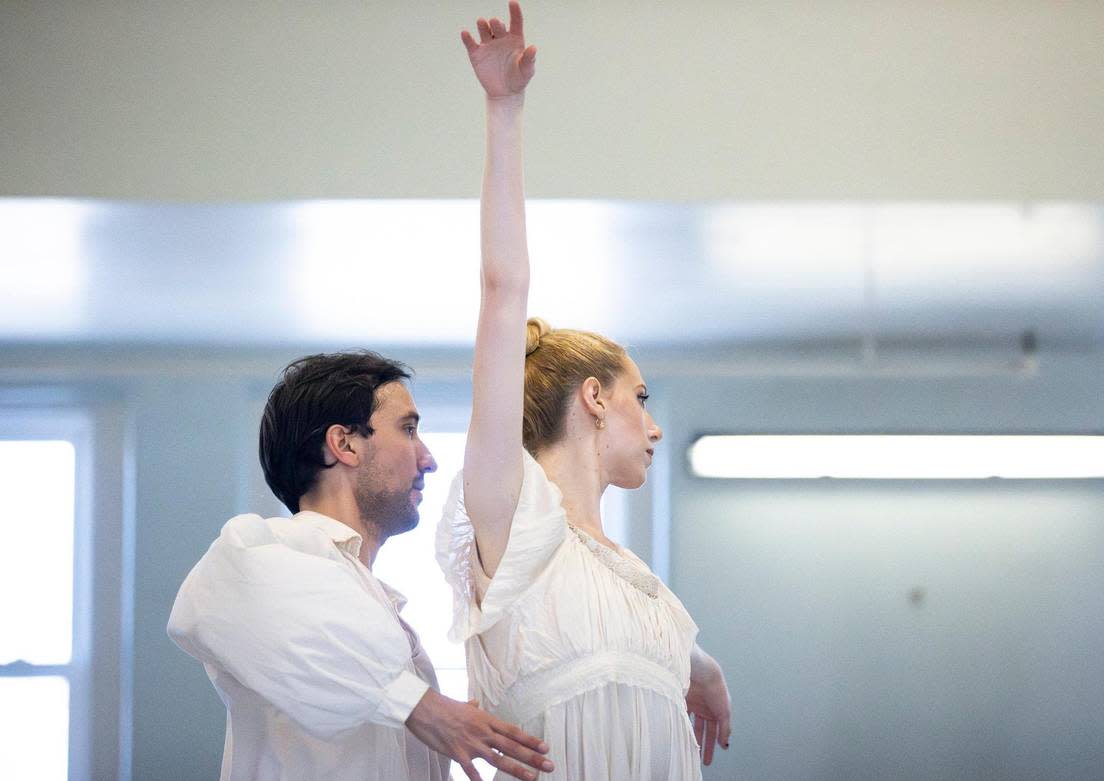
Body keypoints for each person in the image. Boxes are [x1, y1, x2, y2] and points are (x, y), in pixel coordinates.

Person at [436, 4, 732, 779]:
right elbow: (504, 291)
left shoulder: (642, 586)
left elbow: (645, 642)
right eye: (643, 397)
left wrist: (698, 666)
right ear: (595, 397)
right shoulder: (513, 518)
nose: (656, 427)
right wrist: (505, 109)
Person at [168, 351, 555, 781]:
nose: (428, 459)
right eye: (408, 429)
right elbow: (200, 605)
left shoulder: (375, 605)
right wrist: (416, 704)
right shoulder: (275, 548)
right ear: (345, 443)